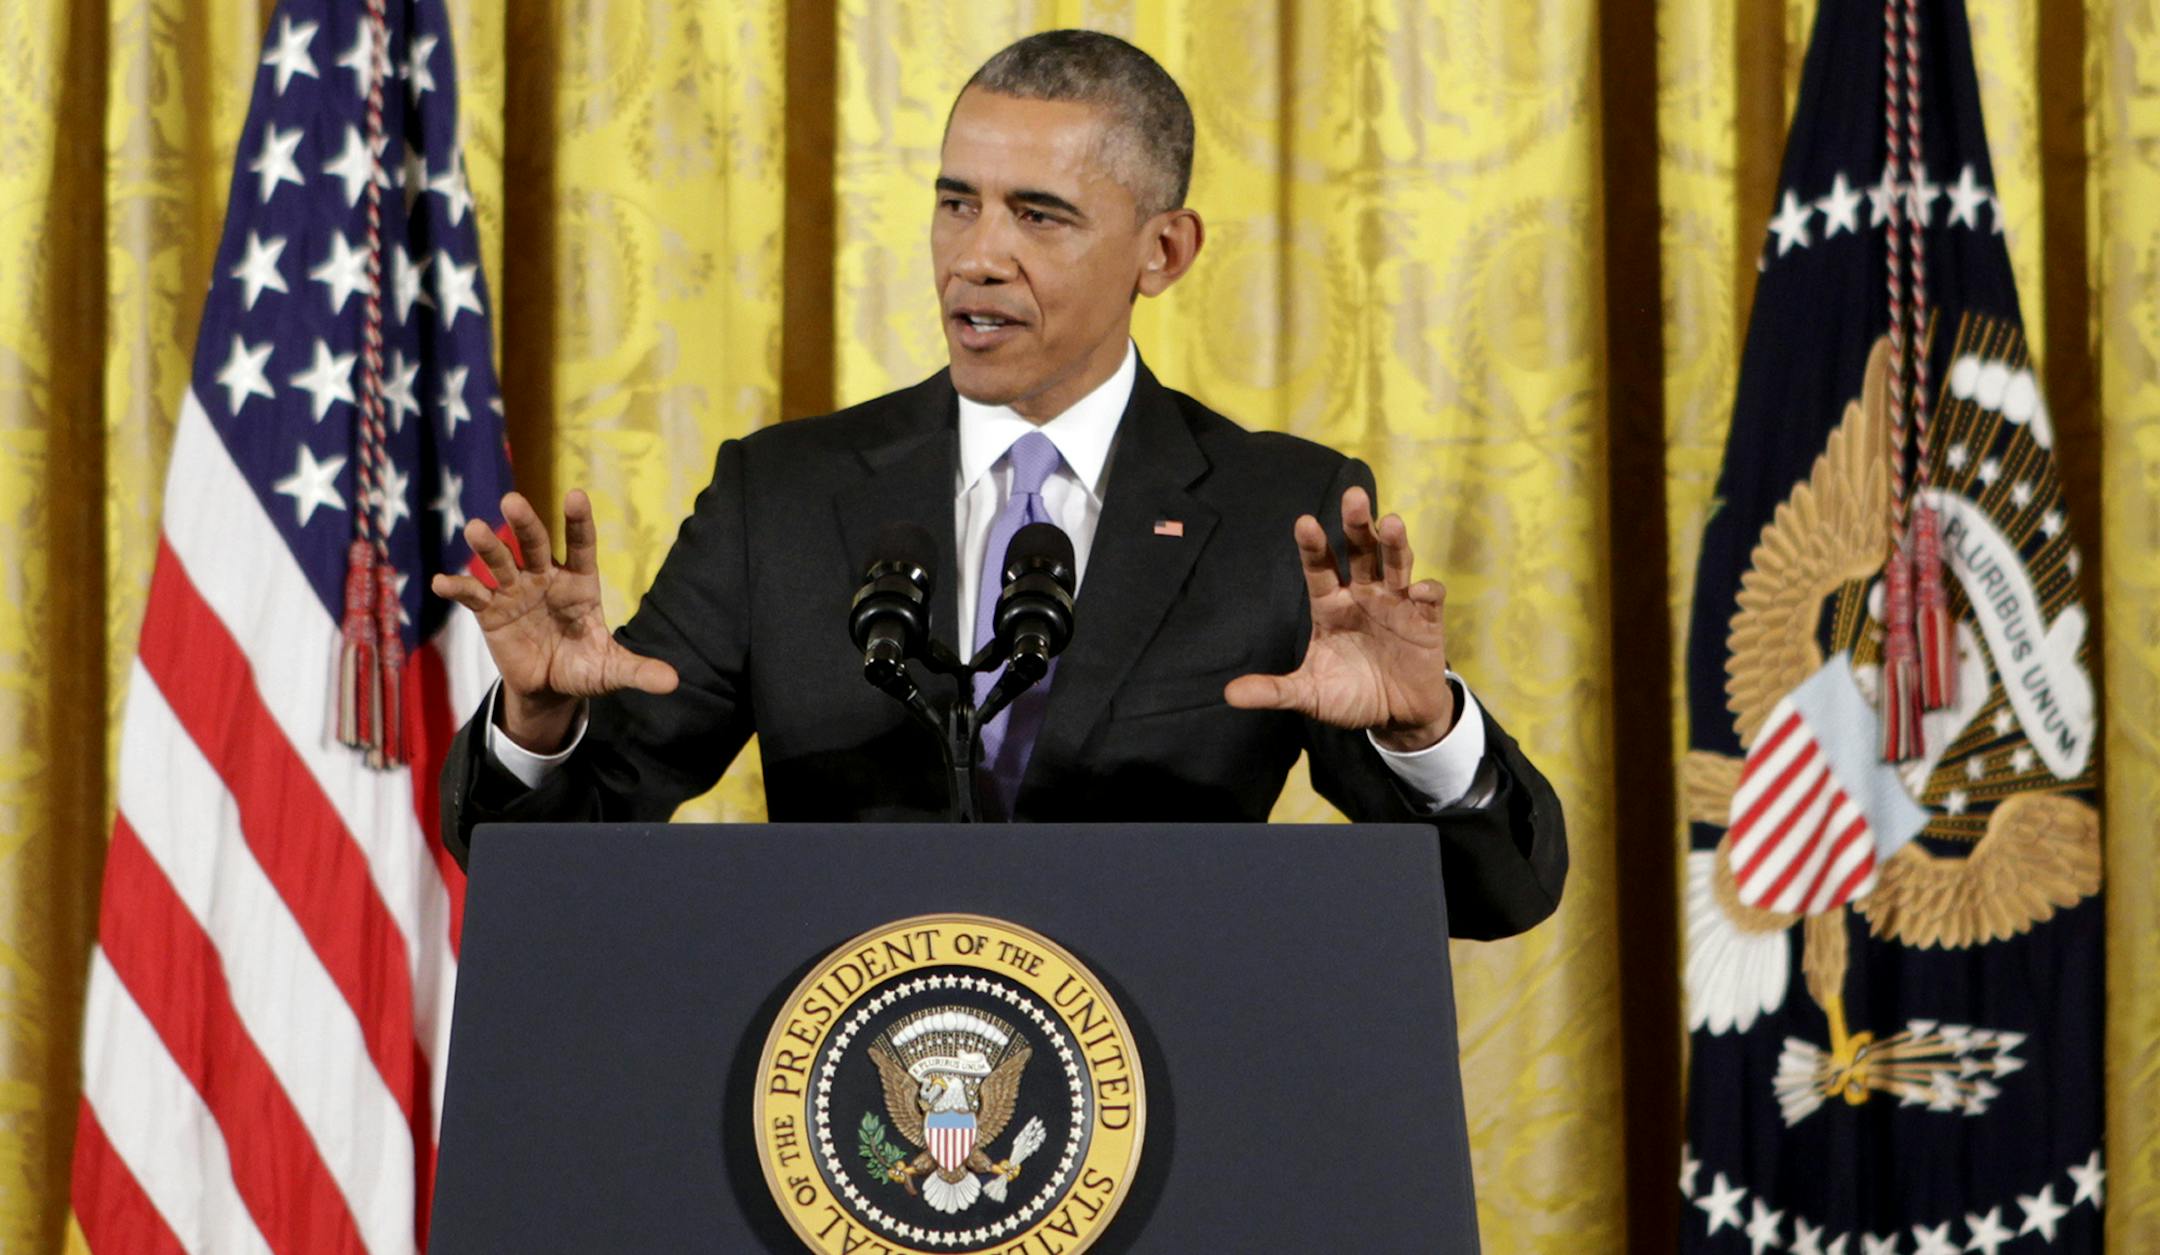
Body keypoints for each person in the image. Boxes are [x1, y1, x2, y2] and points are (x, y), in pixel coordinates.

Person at [434, 30, 1565, 940]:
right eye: (955, 202)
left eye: (1038, 214)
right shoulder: (780, 496)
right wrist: (541, 720)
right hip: (839, 1099)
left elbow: (1497, 893)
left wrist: (1423, 733)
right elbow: (543, 857)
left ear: (1164, 252)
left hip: (1157, 1105)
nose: (976, 255)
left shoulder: (1282, 513)